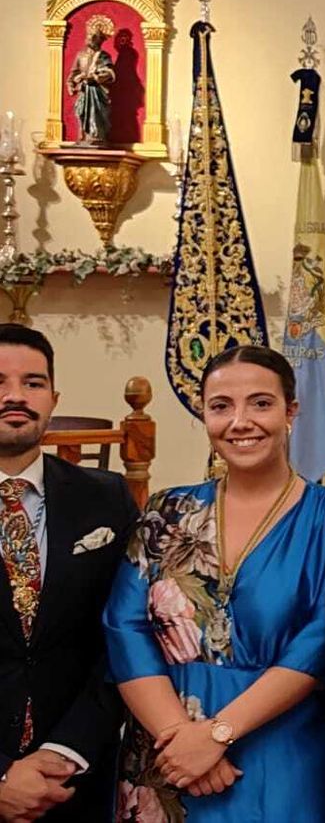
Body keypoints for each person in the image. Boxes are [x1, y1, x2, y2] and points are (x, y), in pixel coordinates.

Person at [104, 345, 325, 822]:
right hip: (168, 751)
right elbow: (123, 626)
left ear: (291, 411)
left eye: (261, 403)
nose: (241, 421)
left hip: (285, 745)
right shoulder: (167, 511)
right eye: (221, 406)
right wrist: (182, 738)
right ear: (204, 414)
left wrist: (216, 735)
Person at [0, 324, 139, 822]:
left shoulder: (107, 497)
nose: (16, 396)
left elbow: (123, 636)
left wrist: (66, 751)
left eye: (33, 383)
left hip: (76, 778)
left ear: (54, 398)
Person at [68, 17, 116, 147]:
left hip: (97, 92)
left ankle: (96, 136)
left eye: (94, 37)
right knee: (81, 111)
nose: (91, 39)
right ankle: (83, 136)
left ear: (100, 40)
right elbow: (73, 73)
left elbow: (110, 73)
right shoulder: (81, 55)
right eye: (89, 36)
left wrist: (95, 77)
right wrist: (71, 84)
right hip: (84, 91)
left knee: (96, 113)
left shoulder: (103, 56)